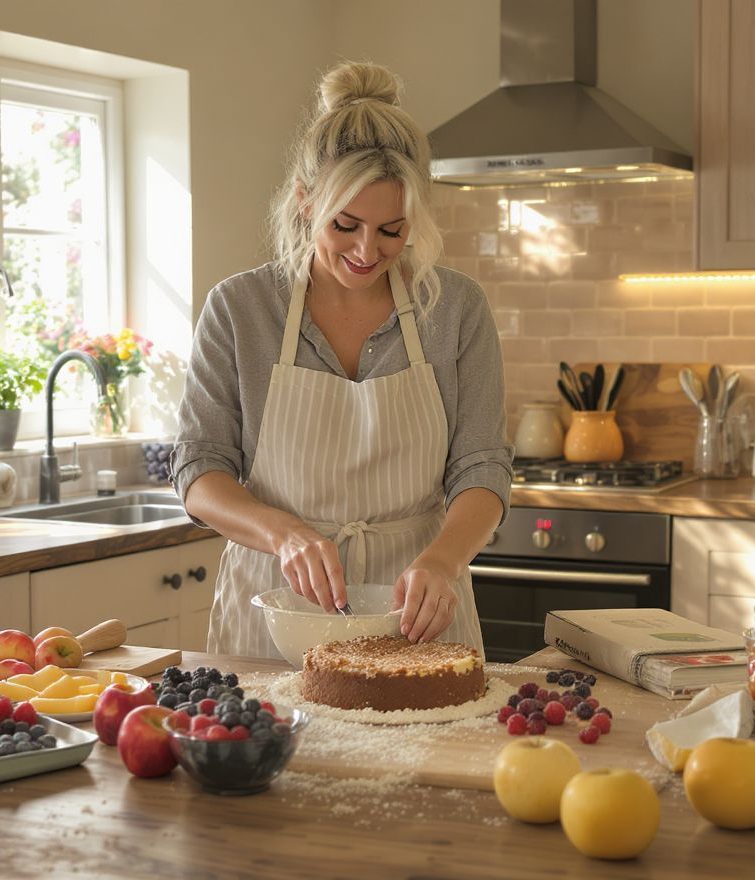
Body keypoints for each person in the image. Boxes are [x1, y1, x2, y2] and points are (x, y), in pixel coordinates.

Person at [171, 61, 513, 659]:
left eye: (392, 231)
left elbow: (482, 468)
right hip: (276, 610)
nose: (366, 251)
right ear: (305, 202)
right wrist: (284, 534)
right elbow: (200, 471)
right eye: (346, 225)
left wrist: (443, 559)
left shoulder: (455, 309)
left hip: (417, 613)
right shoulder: (240, 308)